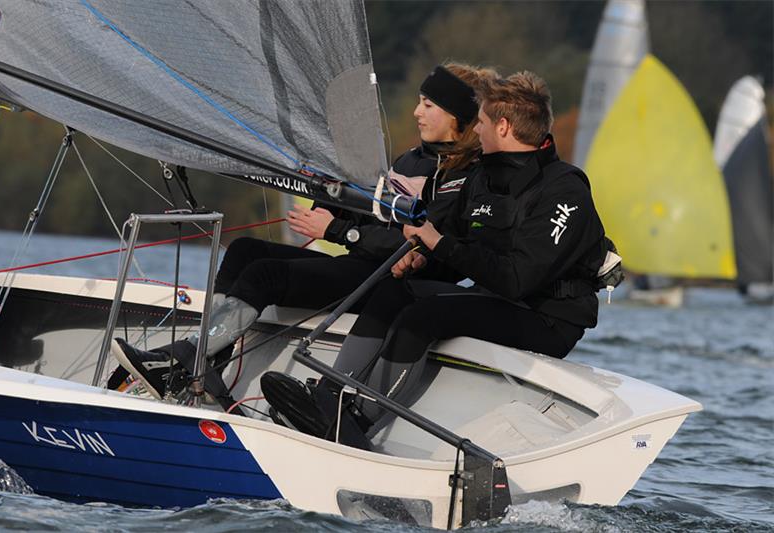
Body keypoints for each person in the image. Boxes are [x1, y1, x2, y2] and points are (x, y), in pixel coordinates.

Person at [110, 64, 494, 413]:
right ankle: (206, 366)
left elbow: (422, 249)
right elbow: (373, 215)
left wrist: (336, 229)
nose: (416, 112)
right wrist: (331, 193)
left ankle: (181, 362)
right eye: (418, 102)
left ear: (457, 116)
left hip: (391, 284)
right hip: (362, 266)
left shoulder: (468, 177)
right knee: (245, 250)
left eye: (428, 104)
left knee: (265, 276)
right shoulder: (411, 160)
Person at [262, 71, 608, 448]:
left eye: (483, 122)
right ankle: (329, 396)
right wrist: (421, 259)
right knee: (396, 291)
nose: (475, 130)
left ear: (504, 127)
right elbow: (451, 249)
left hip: (548, 317)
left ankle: (358, 420)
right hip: (496, 297)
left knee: (422, 316)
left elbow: (517, 278)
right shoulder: (482, 179)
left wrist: (439, 245)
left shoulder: (565, 190)